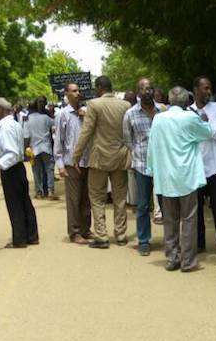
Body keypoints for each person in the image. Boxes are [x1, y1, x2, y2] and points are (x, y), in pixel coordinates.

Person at [146, 86, 212, 271]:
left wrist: (151, 169)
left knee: (170, 220)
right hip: (186, 177)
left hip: (166, 177)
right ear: (186, 102)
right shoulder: (190, 118)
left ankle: (172, 258)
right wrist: (204, 120)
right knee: (189, 219)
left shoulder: (158, 119)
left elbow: (152, 146)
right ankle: (188, 261)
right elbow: (206, 133)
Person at [73, 76, 131, 249]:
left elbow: (86, 132)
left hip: (99, 158)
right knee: (120, 198)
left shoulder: (94, 104)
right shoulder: (125, 105)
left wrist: (76, 155)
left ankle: (101, 236)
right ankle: (121, 235)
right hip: (120, 157)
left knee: (97, 197)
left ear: (99, 87)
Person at [123, 78, 165, 256]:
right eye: (143, 89)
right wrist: (140, 154)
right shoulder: (130, 114)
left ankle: (170, 241)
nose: (147, 92)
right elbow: (128, 140)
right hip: (142, 165)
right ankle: (144, 240)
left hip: (164, 165)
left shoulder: (163, 111)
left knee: (167, 204)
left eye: (150, 88)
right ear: (138, 92)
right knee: (142, 205)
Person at [0, 98, 39, 248]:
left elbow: (11, 154)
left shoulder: (6, 127)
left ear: (0, 109)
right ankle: (31, 235)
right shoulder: (14, 124)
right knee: (24, 201)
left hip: (11, 169)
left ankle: (19, 239)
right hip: (17, 168)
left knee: (15, 204)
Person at [191, 77, 216, 255]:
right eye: (205, 88)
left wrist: (205, 124)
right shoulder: (188, 111)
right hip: (196, 167)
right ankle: (199, 244)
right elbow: (189, 137)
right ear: (195, 90)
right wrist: (206, 130)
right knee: (196, 209)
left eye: (210, 88)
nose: (208, 92)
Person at [54, 83, 92, 245]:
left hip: (87, 161)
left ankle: (85, 228)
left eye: (78, 91)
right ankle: (74, 231)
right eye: (74, 91)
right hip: (71, 163)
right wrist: (60, 164)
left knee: (86, 198)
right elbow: (59, 140)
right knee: (73, 199)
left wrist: (86, 117)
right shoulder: (63, 114)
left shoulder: (86, 112)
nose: (78, 93)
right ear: (67, 94)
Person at [24, 97, 57, 200]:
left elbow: (26, 137)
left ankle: (39, 192)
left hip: (34, 149)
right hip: (46, 147)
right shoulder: (45, 118)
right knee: (49, 169)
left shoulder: (27, 120)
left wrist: (25, 150)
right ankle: (51, 191)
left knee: (36, 171)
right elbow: (55, 123)